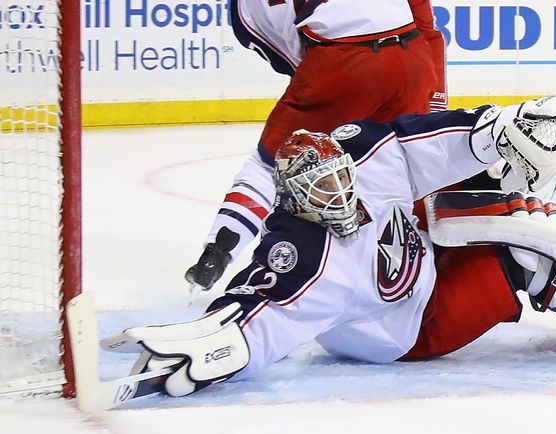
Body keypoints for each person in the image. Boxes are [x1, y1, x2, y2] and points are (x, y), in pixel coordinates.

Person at [105, 96, 556, 397]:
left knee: (498, 180)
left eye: (339, 179)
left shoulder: (363, 159)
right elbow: (254, 315)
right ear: (294, 202)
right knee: (531, 239)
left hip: (418, 254)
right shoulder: (301, 256)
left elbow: (419, 144)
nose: (339, 196)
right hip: (406, 328)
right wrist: (202, 353)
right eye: (321, 193)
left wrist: (502, 128)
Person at [184, 0, 448, 298]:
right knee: (402, 168)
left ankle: (219, 252)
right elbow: (424, 20)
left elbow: (296, 61)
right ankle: (422, 270)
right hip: (413, 58)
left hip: (346, 62)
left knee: (272, 166)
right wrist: (435, 95)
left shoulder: (245, 9)